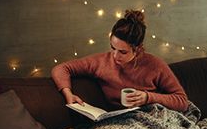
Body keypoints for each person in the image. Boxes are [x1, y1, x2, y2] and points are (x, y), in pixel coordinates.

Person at [51, 9, 189, 112]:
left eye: (123, 52)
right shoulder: (101, 62)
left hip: (153, 118)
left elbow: (182, 102)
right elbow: (61, 68)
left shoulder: (155, 65)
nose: (115, 56)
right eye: (113, 48)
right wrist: (68, 94)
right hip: (121, 122)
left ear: (138, 48)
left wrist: (148, 97)